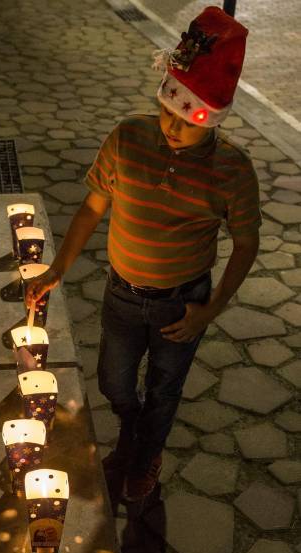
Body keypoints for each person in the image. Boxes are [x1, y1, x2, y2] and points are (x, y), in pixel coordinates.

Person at [25, 6, 260, 506]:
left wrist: (212, 309)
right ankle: (132, 433)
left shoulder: (232, 170)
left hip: (183, 303)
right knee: (114, 381)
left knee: (165, 390)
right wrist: (57, 269)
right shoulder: (129, 138)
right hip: (123, 294)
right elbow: (92, 208)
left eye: (187, 120)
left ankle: (145, 452)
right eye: (167, 112)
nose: (172, 127)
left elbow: (245, 243)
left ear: (212, 120)